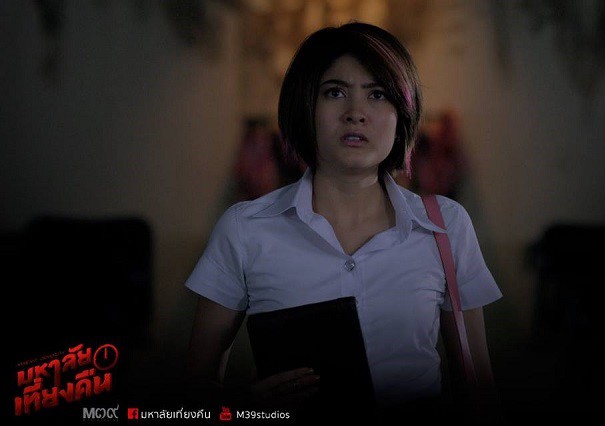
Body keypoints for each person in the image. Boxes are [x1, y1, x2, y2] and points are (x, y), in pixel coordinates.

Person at [184, 22, 503, 424]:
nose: (356, 113)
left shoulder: (445, 225)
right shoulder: (245, 228)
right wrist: (247, 408)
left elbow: (477, 388)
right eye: (335, 92)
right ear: (305, 106)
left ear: (402, 113)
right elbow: (193, 387)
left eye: (377, 94)